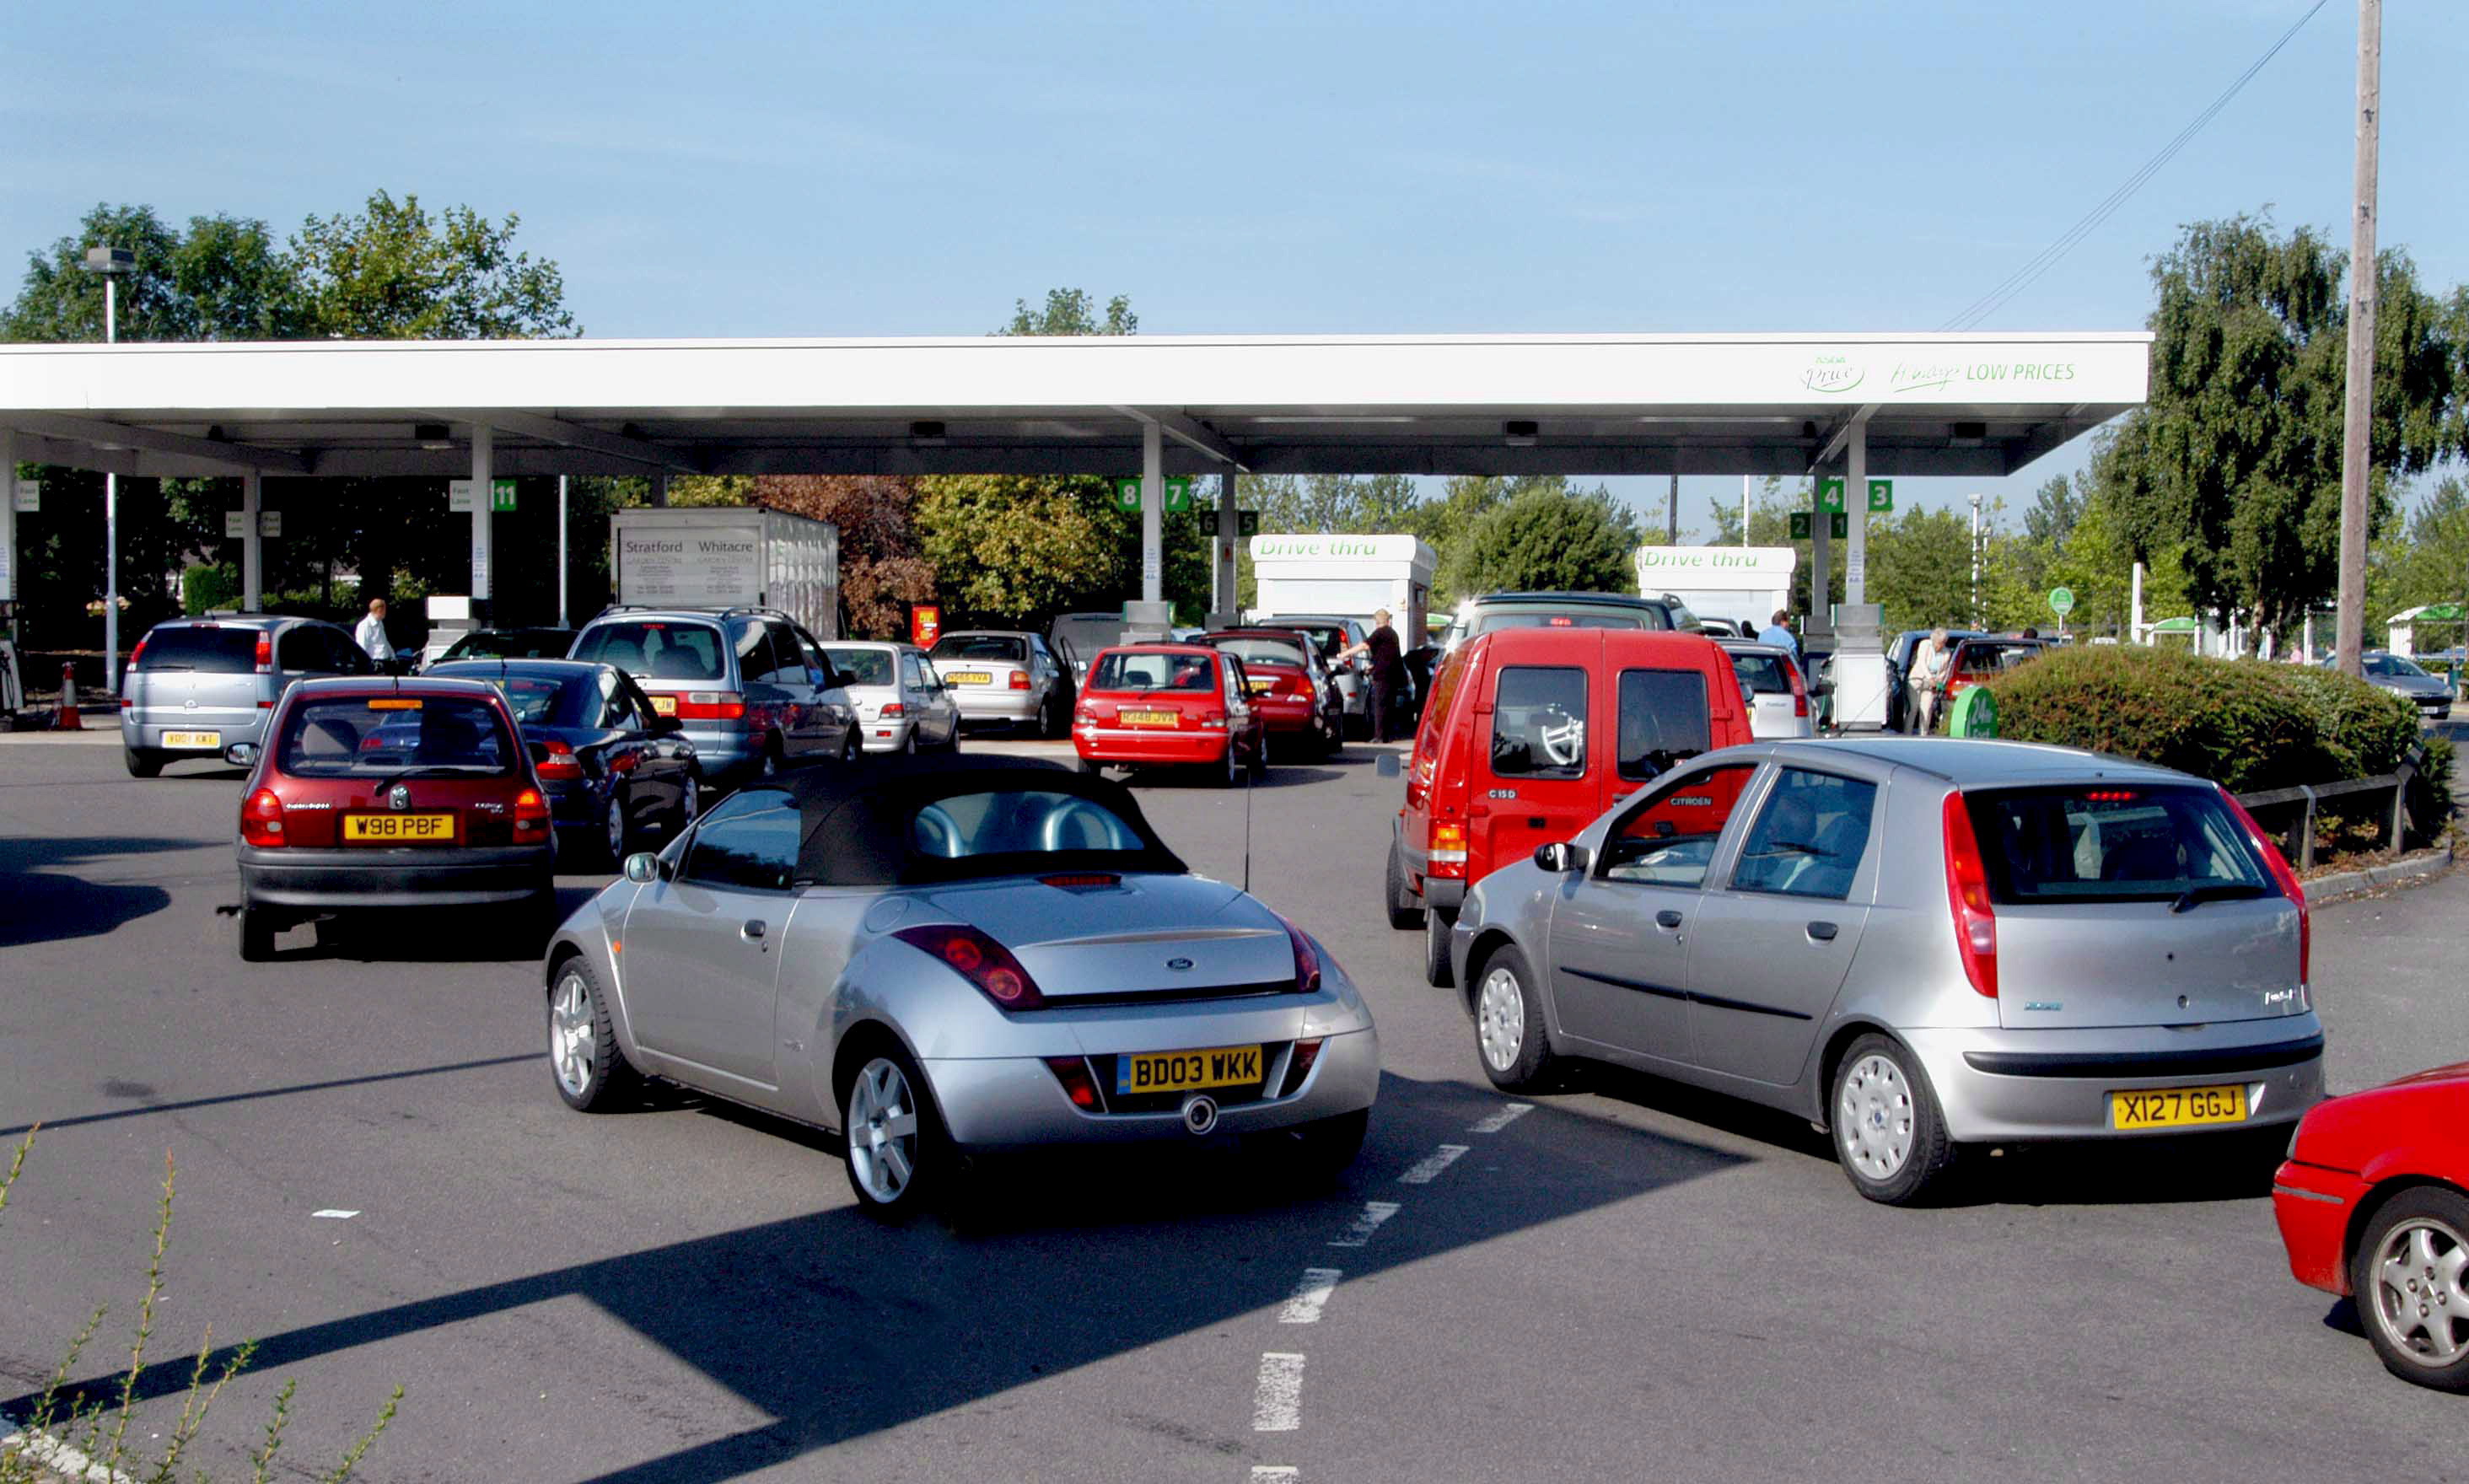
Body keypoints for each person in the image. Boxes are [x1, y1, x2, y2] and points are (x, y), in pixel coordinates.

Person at [1337, 609, 1406, 742]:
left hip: (1383, 675)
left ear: (1376, 622)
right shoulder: (1392, 634)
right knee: (1387, 705)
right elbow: (1387, 655)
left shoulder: (1380, 632)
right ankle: (1385, 735)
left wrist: (1345, 654)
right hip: (1392, 674)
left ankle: (1379, 737)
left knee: (1379, 705)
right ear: (1388, 620)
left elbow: (1364, 646)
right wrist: (1373, 666)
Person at [1908, 626, 1953, 734]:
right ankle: (1907, 733)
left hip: (1931, 684)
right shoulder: (1925, 644)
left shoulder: (1946, 652)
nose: (1940, 645)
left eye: (1943, 643)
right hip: (1917, 680)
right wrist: (1930, 678)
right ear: (1933, 640)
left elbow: (1944, 670)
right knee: (1913, 709)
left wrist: (1938, 681)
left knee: (1927, 711)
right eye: (1938, 642)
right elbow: (1922, 662)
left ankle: (1923, 735)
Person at [355, 598, 395, 669]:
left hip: (385, 662)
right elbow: (362, 647)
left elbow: (384, 641)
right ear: (379, 610)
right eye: (384, 609)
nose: (385, 612)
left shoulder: (380, 623)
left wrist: (392, 655)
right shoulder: (364, 625)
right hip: (374, 663)